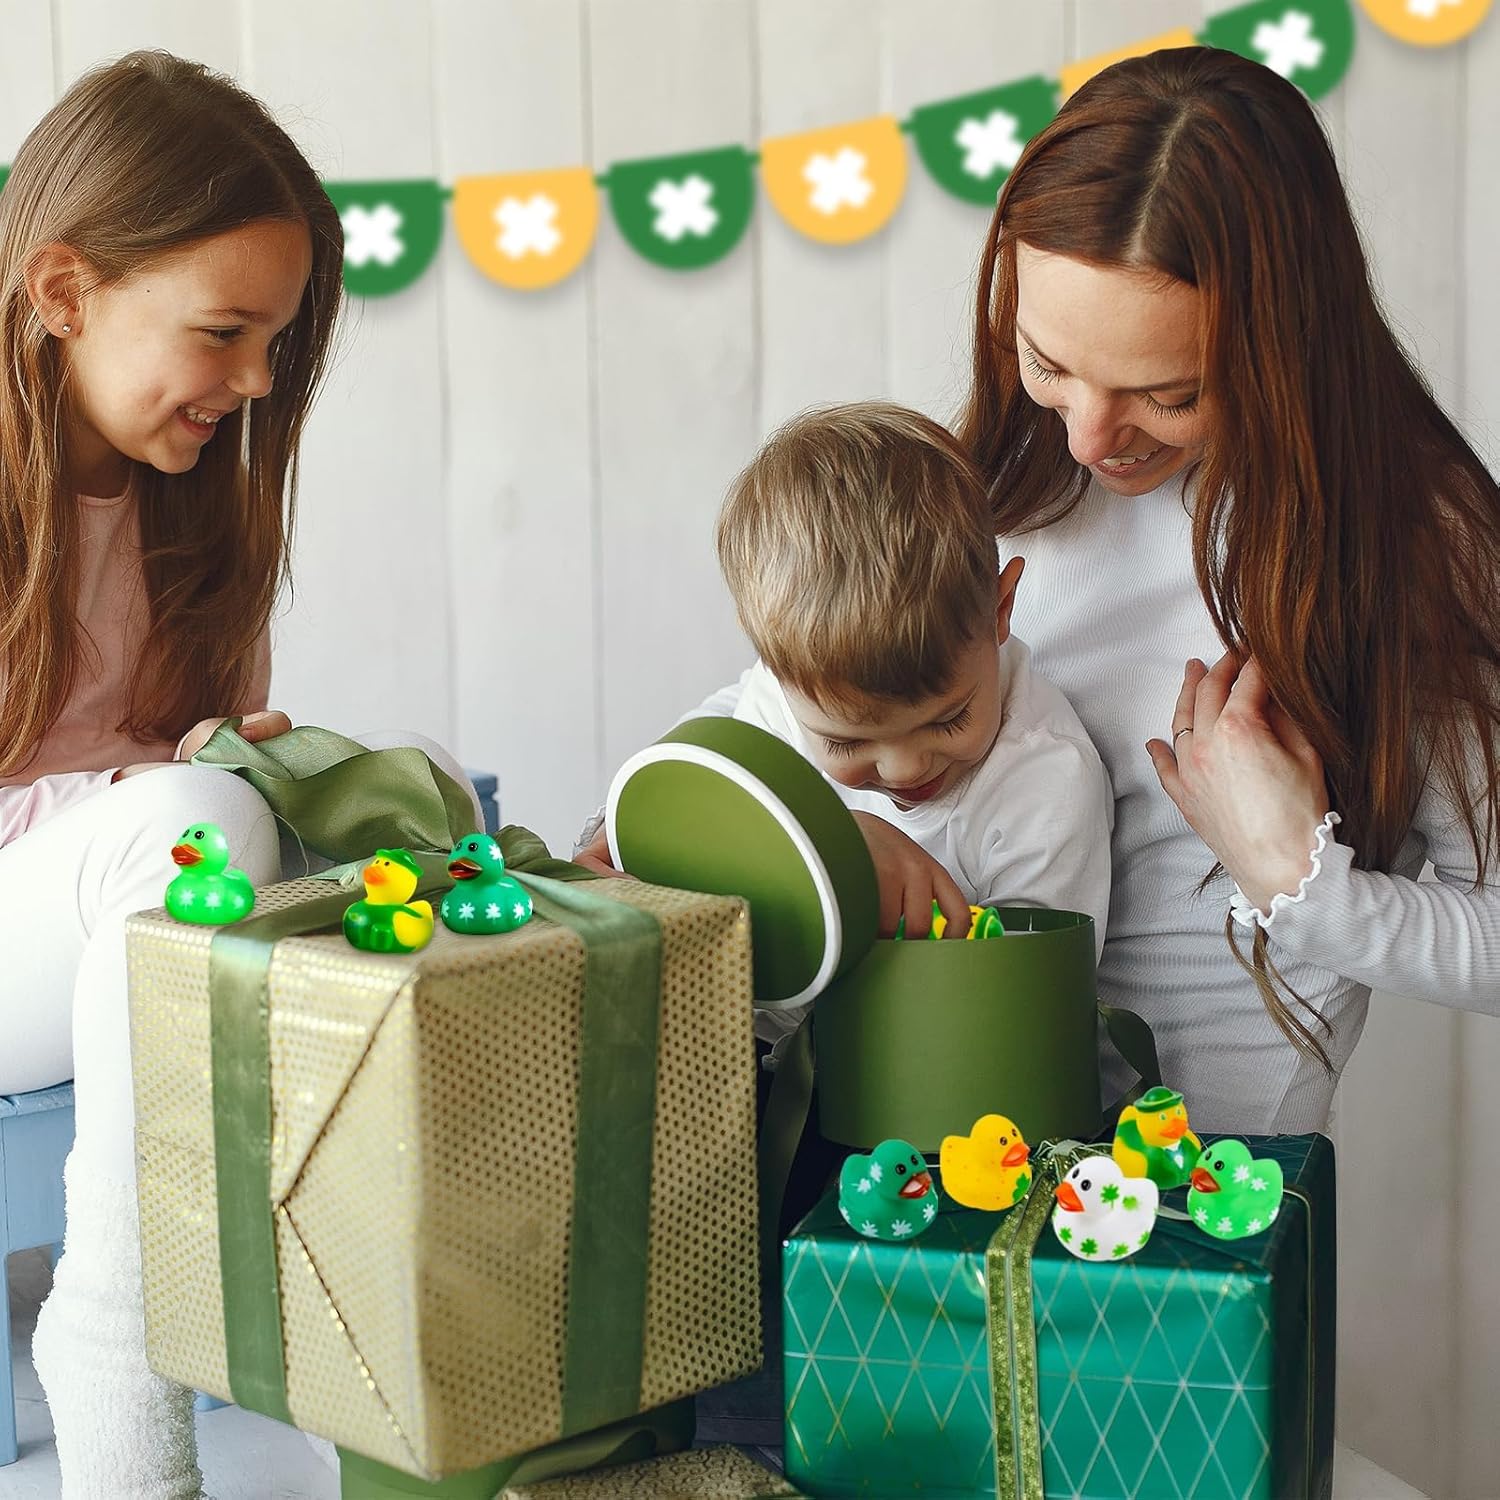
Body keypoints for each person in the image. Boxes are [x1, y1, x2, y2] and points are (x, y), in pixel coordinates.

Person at [0, 52, 470, 1498]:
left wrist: (256, 773)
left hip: (126, 915)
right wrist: (175, 799)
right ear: (65, 292)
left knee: (416, 800)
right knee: (195, 829)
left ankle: (405, 1388)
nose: (257, 380)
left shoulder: (199, 516)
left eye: (275, 338)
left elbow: (194, 767)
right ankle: (116, 1333)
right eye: (223, 333)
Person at [957, 45, 1498, 1134]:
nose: (1091, 436)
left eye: (1169, 393)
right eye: (1048, 362)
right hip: (927, 1136)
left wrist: (1298, 876)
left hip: (1191, 1214)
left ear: (1283, 351)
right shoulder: (1002, 479)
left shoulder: (1409, 538)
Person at [578, 401, 1113, 1053]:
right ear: (776, 672)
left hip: (925, 1103)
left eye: (948, 718)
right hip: (742, 1056)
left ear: (1000, 610)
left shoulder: (1046, 782)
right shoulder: (772, 703)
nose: (906, 768)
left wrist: (868, 887)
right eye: (849, 742)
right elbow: (653, 807)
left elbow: (1021, 1022)